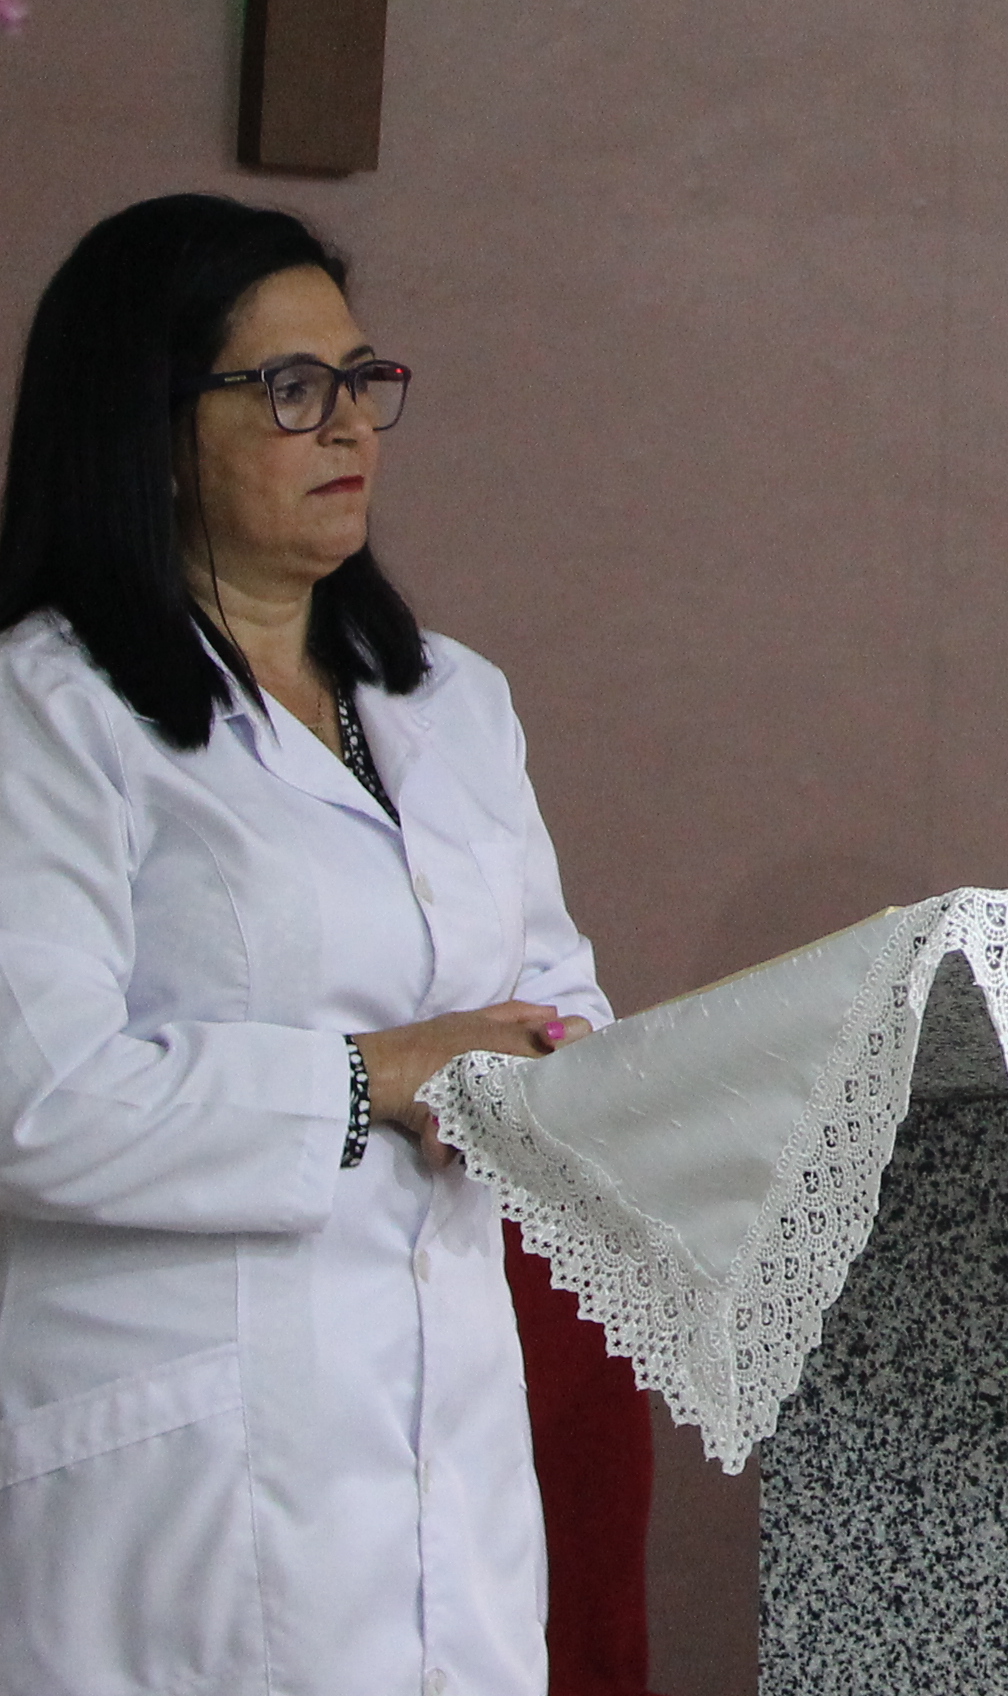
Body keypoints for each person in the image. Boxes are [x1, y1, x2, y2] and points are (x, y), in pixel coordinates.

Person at [0, 196, 606, 1696]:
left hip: (441, 1443)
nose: (346, 424)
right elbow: (38, 1103)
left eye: (359, 378)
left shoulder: (451, 700)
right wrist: (374, 1077)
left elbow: (552, 994)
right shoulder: (47, 713)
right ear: (152, 430)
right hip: (179, 1476)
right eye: (287, 387)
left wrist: (567, 1072)